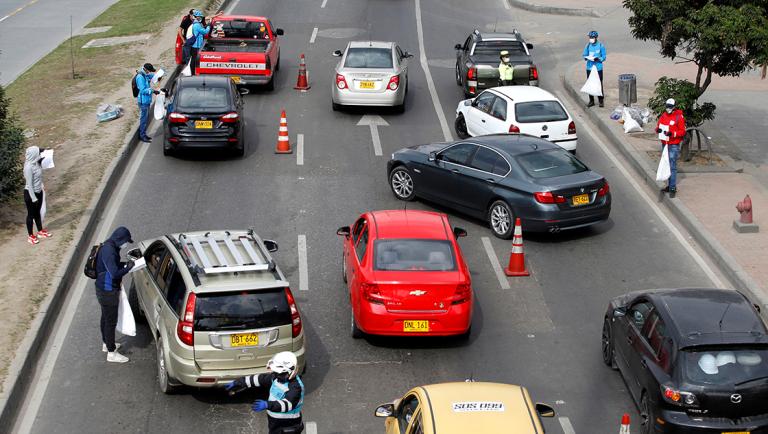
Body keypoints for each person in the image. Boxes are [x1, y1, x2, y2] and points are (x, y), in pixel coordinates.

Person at [226, 352, 305, 434]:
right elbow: (260, 379)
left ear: (289, 372)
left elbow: (288, 404)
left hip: (288, 425)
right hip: (275, 422)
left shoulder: (296, 387)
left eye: (279, 373)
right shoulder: (277, 377)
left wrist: (267, 404)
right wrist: (239, 382)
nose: (276, 375)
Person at [95, 226, 135, 363]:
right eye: (125, 241)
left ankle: (106, 344)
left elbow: (112, 266)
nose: (125, 245)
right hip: (108, 291)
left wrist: (124, 264)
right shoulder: (110, 251)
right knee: (110, 322)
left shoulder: (108, 245)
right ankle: (111, 353)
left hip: (102, 288)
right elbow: (114, 273)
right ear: (120, 239)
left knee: (105, 318)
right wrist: (128, 269)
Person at [656, 98, 686, 198]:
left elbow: (682, 131)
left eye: (670, 107)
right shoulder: (664, 115)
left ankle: (672, 187)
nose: (668, 108)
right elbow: (658, 126)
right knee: (666, 164)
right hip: (665, 144)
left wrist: (672, 133)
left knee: (672, 165)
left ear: (674, 107)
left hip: (673, 144)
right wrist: (658, 129)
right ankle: (669, 185)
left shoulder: (679, 117)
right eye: (667, 106)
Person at [23, 146, 52, 245]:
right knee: (31, 215)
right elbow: (29, 185)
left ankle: (40, 231)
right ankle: (30, 235)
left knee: (37, 213)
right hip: (31, 194)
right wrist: (34, 198)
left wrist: (46, 151)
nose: (39, 153)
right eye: (38, 152)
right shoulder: (28, 167)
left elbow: (42, 155)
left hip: (38, 191)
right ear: (33, 154)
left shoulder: (36, 162)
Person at [135, 63, 161, 143]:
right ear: (146, 69)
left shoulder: (145, 74)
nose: (149, 72)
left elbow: (151, 77)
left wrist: (158, 77)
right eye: (149, 71)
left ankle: (144, 134)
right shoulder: (140, 77)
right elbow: (143, 90)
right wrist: (153, 91)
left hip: (146, 100)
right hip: (143, 102)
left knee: (145, 119)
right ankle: (142, 136)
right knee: (144, 119)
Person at [582, 30, 606, 107]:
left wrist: (598, 59)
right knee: (590, 83)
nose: (590, 38)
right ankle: (591, 100)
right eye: (590, 37)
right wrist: (586, 58)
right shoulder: (588, 46)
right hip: (589, 67)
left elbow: (604, 57)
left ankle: (601, 100)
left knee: (599, 83)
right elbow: (584, 55)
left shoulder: (601, 46)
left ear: (596, 37)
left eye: (592, 37)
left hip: (598, 68)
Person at [189, 10, 213, 75]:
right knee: (194, 60)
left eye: (200, 17)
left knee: (194, 60)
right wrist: (209, 26)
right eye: (199, 17)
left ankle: (193, 73)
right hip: (196, 46)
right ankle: (193, 73)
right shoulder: (197, 25)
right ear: (196, 17)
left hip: (195, 45)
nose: (200, 18)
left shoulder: (196, 23)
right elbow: (205, 32)